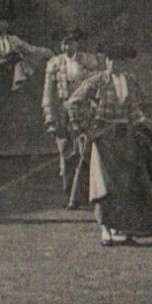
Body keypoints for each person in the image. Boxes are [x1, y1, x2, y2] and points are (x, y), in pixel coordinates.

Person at [66, 44, 152, 246]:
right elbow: (73, 102)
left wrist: (147, 126)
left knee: (129, 187)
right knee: (105, 186)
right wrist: (88, 129)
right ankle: (105, 231)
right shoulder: (97, 81)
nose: (114, 64)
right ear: (106, 61)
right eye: (111, 59)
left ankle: (126, 231)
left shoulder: (131, 81)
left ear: (125, 62)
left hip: (128, 138)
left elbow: (141, 107)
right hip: (105, 140)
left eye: (119, 60)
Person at [41, 27, 100, 205]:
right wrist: (50, 118)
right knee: (66, 152)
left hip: (85, 110)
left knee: (87, 151)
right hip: (64, 111)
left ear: (78, 43)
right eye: (65, 42)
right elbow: (48, 93)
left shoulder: (89, 60)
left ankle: (88, 195)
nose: (68, 46)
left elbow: (96, 87)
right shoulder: (54, 63)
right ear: (61, 44)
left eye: (71, 42)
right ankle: (70, 195)